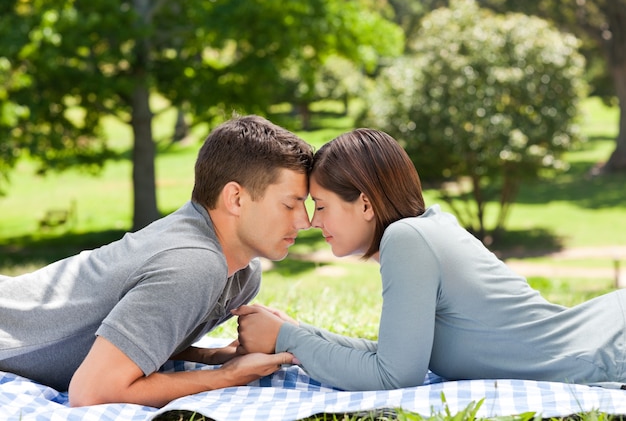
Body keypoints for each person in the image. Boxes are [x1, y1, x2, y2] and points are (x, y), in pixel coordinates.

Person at [234, 128, 626, 392]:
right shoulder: (422, 231)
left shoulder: (409, 239)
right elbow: (392, 353)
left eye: (321, 206)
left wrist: (287, 339)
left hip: (608, 349)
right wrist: (299, 334)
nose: (312, 222)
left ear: (366, 203)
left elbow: (393, 376)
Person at [0, 115, 313, 407]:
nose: (305, 221)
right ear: (236, 199)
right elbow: (91, 391)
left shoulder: (243, 273)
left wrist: (215, 355)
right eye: (290, 205)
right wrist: (227, 376)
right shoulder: (192, 266)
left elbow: (136, 339)